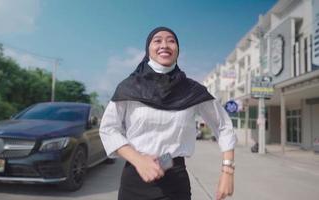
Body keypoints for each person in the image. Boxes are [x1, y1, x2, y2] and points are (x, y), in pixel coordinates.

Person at [99, 26, 237, 200]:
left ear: (177, 50)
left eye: (171, 41)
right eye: (157, 40)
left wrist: (227, 170)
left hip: (175, 180)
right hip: (135, 178)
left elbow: (223, 125)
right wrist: (138, 160)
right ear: (148, 49)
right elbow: (108, 128)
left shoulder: (192, 90)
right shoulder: (129, 87)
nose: (164, 45)